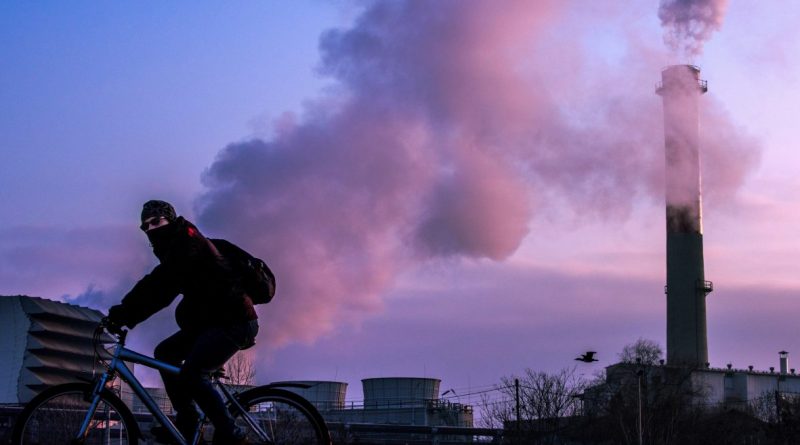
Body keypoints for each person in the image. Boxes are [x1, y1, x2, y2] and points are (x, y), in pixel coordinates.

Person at [104, 200, 258, 445]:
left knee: (194, 374)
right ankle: (188, 422)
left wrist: (123, 315)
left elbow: (160, 288)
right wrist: (125, 314)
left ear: (170, 220)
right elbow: (159, 283)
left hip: (235, 321)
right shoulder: (176, 247)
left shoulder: (186, 245)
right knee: (164, 353)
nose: (151, 228)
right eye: (146, 226)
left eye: (156, 221)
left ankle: (234, 435)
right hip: (213, 321)